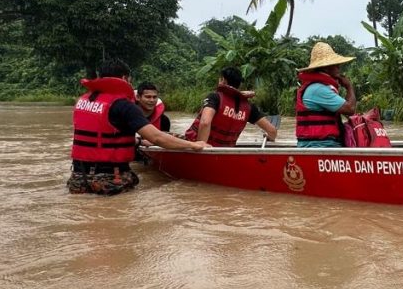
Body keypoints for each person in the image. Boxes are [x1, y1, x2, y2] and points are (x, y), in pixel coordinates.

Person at [69, 59, 208, 195]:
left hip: (78, 178)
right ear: (125, 78)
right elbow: (157, 138)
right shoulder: (124, 105)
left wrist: (139, 141)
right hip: (110, 180)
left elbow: (102, 136)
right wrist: (194, 145)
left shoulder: (83, 101)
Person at [184, 67, 278, 146]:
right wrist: (269, 137)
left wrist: (201, 145)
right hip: (225, 151)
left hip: (203, 151)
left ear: (223, 80)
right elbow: (272, 131)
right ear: (239, 84)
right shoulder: (249, 107)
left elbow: (205, 123)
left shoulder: (215, 97)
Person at [295, 42, 356, 147]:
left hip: (324, 143)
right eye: (336, 65)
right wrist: (349, 86)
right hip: (319, 145)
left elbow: (346, 110)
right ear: (326, 67)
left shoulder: (321, 87)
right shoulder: (319, 89)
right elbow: (350, 109)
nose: (339, 67)